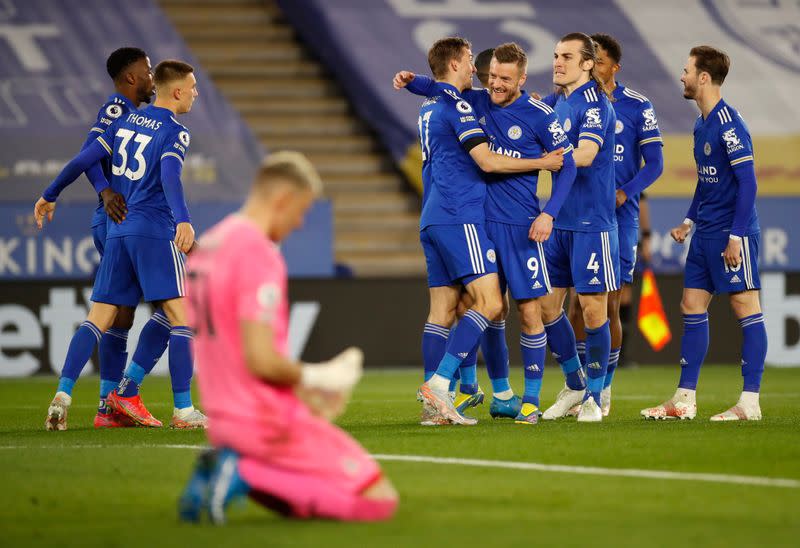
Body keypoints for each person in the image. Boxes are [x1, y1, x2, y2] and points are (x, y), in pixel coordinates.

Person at [178, 152, 398, 524]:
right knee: (378, 500)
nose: (299, 223)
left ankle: (233, 470)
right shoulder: (257, 252)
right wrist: (320, 377)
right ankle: (242, 474)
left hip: (222, 420)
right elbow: (260, 360)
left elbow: (227, 347)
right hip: (265, 420)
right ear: (282, 199)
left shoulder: (210, 246)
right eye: (301, 210)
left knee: (300, 493)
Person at [398, 42, 577, 424]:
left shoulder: (536, 114)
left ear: (522, 79)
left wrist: (549, 213)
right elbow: (487, 161)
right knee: (490, 306)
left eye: (503, 78)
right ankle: (448, 386)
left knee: (511, 310)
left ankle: (524, 394)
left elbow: (569, 166)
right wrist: (539, 162)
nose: (491, 82)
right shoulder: (469, 103)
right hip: (466, 218)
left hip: (497, 223)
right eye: (487, 74)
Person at [39, 59, 205, 430]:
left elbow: (84, 159)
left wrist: (50, 194)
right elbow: (169, 176)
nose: (196, 93)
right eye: (192, 87)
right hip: (153, 230)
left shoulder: (122, 121)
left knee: (98, 318)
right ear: (177, 91)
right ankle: (181, 410)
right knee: (183, 317)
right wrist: (183, 219)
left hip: (118, 231)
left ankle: (64, 396)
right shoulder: (175, 131)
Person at [641, 46, 766, 421]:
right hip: (705, 232)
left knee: (745, 307)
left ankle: (750, 402)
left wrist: (736, 236)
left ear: (704, 78)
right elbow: (706, 181)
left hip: (732, 233)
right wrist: (689, 221)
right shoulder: (701, 124)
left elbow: (748, 184)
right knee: (691, 306)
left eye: (686, 70)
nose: (682, 76)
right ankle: (684, 399)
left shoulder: (730, 125)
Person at [566, 33, 664, 416]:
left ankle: (603, 389)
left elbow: (654, 164)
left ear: (613, 67)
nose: (595, 67)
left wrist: (626, 192)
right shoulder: (573, 102)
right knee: (575, 307)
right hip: (579, 215)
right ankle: (578, 386)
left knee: (608, 305)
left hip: (618, 219)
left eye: (602, 61)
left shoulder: (638, 106)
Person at [536, 32, 619, 423]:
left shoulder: (596, 105)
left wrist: (546, 157)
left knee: (591, 309)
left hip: (591, 222)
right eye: (555, 55)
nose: (557, 62)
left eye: (566, 56)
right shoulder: (556, 101)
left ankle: (596, 396)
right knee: (547, 307)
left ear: (587, 63)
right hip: (558, 220)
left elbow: (585, 155)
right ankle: (574, 383)